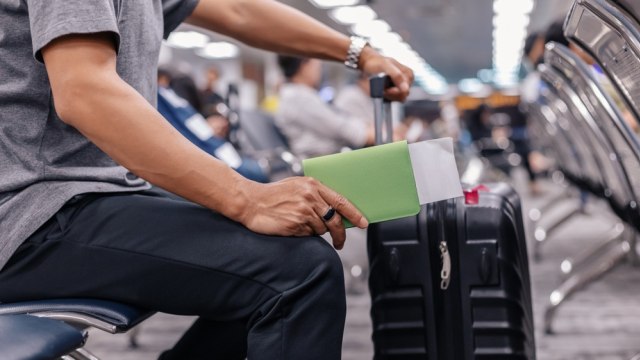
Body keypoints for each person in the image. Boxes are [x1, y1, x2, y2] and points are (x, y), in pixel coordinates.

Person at [0, 1, 413, 359]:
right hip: (31, 215)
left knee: (287, 254)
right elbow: (84, 91)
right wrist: (248, 199)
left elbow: (237, 9)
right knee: (300, 273)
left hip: (92, 198)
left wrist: (358, 51)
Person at [276, 55, 377, 158]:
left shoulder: (301, 94)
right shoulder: (297, 97)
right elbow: (340, 128)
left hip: (327, 157)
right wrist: (376, 133)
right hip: (320, 160)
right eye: (318, 67)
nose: (320, 72)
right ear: (304, 66)